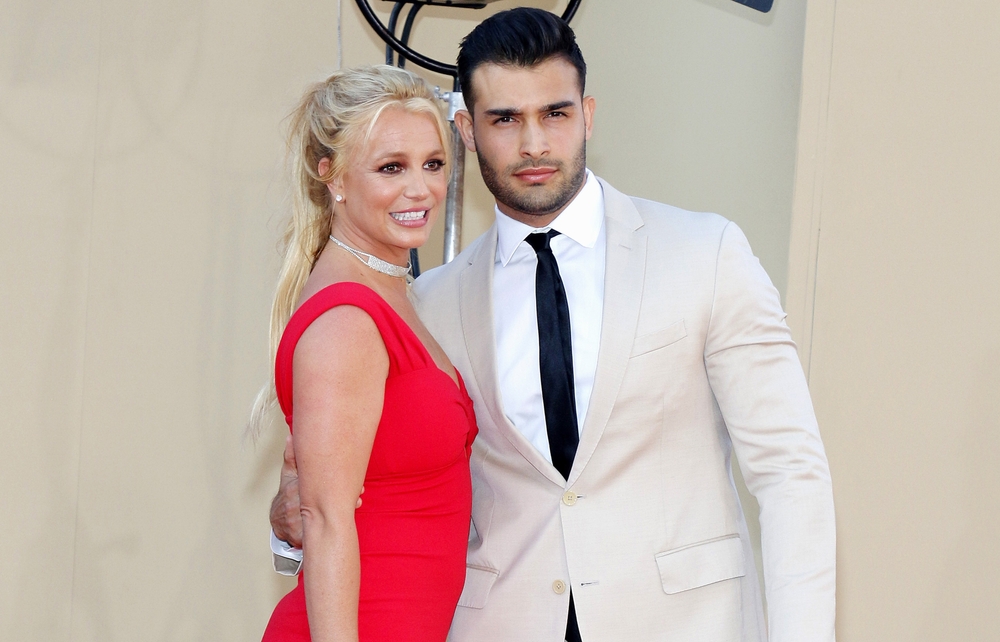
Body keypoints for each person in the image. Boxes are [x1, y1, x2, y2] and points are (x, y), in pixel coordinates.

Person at [271, 9, 836, 642]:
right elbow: (364, 493)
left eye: (556, 114)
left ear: (588, 115)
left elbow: (791, 471)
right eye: (505, 119)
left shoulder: (705, 253)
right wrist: (286, 515)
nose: (534, 144)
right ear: (466, 131)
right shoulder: (426, 307)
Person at [255, 65, 478, 642]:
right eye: (390, 167)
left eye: (433, 163)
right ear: (333, 177)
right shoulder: (347, 319)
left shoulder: (393, 291)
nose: (420, 189)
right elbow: (325, 522)